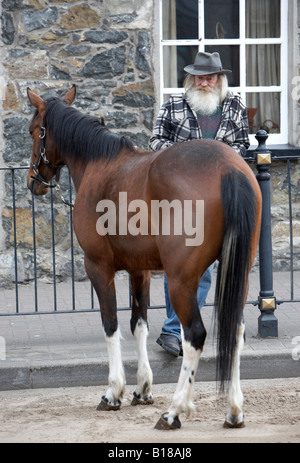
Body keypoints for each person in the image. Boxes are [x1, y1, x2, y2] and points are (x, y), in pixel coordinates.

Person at [149, 51, 250, 357]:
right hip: (182, 198)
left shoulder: (235, 106)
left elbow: (243, 146)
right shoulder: (173, 105)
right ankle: (173, 329)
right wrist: (187, 160)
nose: (205, 82)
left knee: (233, 262)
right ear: (191, 78)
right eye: (200, 77)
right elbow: (155, 144)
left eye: (211, 77)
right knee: (185, 266)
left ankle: (193, 327)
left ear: (220, 79)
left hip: (225, 197)